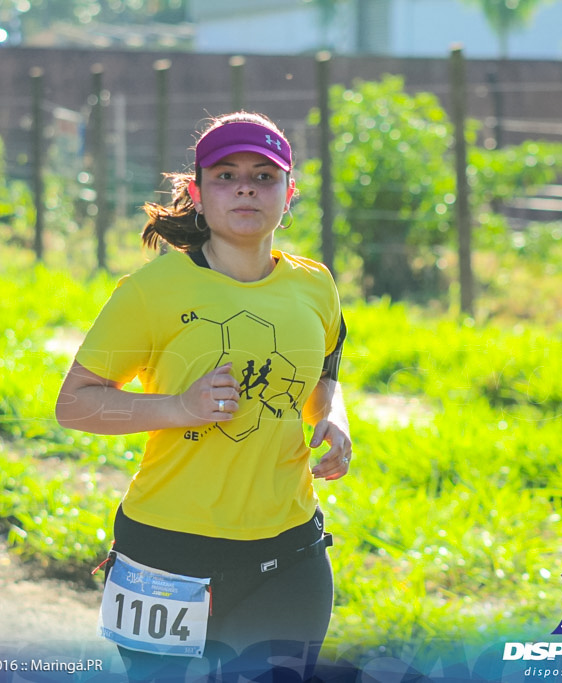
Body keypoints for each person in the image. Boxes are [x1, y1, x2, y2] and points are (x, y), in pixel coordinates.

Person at [55, 112, 351, 681]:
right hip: (167, 558)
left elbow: (327, 366)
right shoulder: (152, 291)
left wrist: (332, 418)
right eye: (225, 175)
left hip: (287, 552)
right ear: (196, 193)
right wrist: (180, 407)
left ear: (288, 194)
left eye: (264, 176)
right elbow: (75, 404)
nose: (245, 187)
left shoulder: (315, 285)